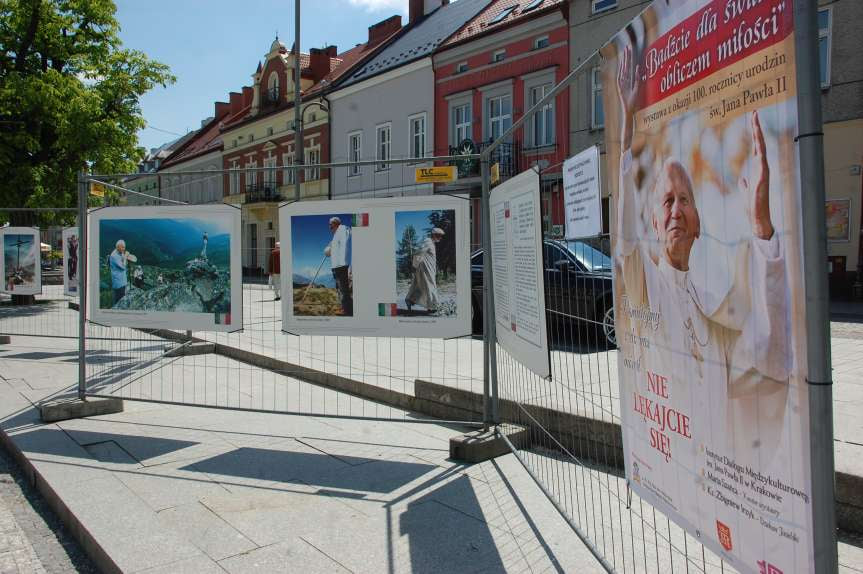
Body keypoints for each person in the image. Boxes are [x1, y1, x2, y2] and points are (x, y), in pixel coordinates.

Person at [614, 44, 790, 533]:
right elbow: (624, 240)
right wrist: (627, 129)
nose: (675, 209)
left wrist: (759, 223)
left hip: (717, 495)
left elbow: (773, 354)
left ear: (698, 223)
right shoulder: (645, 280)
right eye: (666, 200)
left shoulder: (711, 312)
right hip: (671, 488)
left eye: (685, 199)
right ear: (654, 220)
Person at [405, 227, 444, 313]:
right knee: (430, 286)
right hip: (425, 269)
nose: (440, 238)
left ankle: (410, 300)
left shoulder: (432, 243)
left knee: (421, 286)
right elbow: (418, 252)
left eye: (441, 236)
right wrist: (414, 266)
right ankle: (432, 307)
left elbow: (430, 257)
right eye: (438, 236)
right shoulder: (428, 241)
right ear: (433, 235)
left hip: (430, 268)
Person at [324, 217, 352, 316]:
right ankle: (344, 307)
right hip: (338, 267)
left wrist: (331, 248)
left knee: (343, 289)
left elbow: (341, 249)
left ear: (336, 224)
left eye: (330, 225)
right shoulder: (339, 234)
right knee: (340, 288)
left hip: (341, 267)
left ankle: (346, 310)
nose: (329, 227)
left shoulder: (342, 232)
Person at [108, 239, 130, 305]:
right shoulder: (114, 256)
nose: (124, 249)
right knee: (119, 300)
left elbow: (122, 258)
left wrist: (124, 257)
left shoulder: (119, 252)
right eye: (122, 247)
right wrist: (126, 256)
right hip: (119, 282)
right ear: (118, 247)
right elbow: (123, 267)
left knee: (121, 297)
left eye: (124, 247)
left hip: (122, 280)